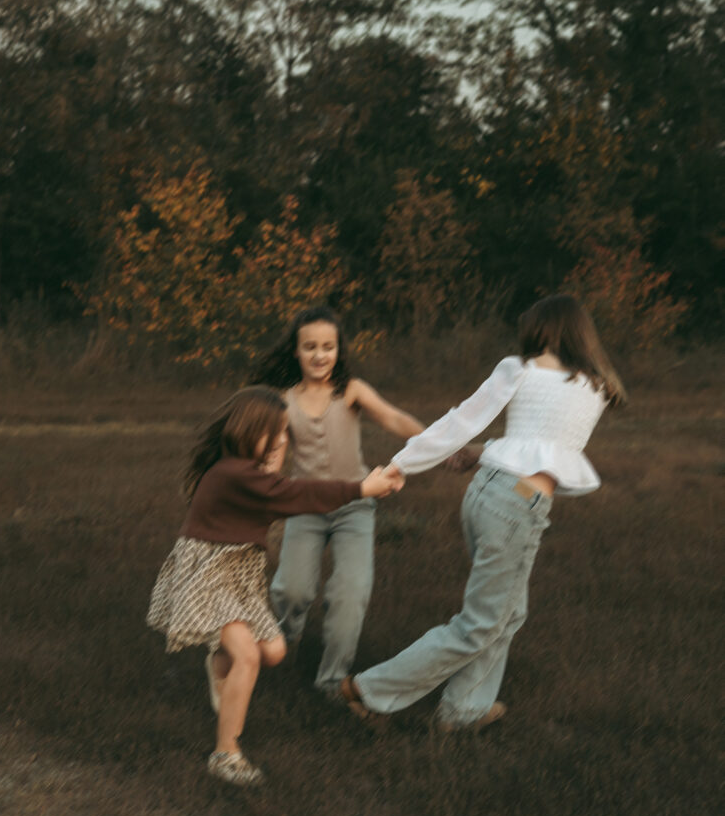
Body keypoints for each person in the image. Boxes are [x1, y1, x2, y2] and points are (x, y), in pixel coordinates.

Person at [340, 294, 626, 732]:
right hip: (517, 505)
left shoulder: (519, 368)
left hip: (487, 495)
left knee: (507, 613)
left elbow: (463, 421)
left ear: (541, 330)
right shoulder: (595, 384)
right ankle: (366, 690)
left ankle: (463, 709)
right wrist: (417, 461)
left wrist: (406, 461)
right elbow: (549, 437)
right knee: (480, 623)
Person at [146, 386, 394, 786]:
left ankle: (218, 662)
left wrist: (277, 460)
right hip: (210, 575)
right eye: (274, 432)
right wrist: (361, 488)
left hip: (238, 576)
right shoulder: (235, 474)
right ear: (247, 431)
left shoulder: (250, 473)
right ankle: (226, 753)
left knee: (274, 651)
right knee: (249, 656)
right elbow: (296, 494)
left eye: (285, 432)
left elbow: (281, 489)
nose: (283, 440)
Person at [250, 307, 424, 697]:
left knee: (349, 592)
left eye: (327, 347)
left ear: (339, 350)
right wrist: (260, 488)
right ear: (295, 351)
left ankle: (331, 681)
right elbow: (274, 457)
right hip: (306, 506)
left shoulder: (352, 390)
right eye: (309, 347)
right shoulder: (284, 400)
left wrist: (436, 445)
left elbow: (393, 418)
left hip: (355, 506)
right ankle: (283, 639)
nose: (319, 355)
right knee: (291, 589)